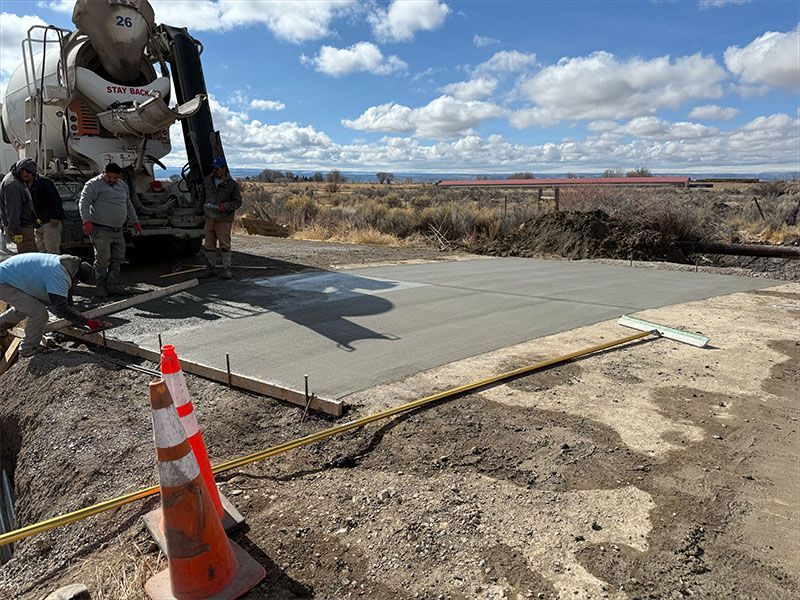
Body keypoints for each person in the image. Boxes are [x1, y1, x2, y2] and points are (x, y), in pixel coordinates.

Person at [0, 253, 107, 357]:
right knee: (39, 314)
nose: (76, 283)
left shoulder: (65, 264)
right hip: (3, 283)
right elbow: (61, 308)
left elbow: (67, 302)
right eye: (77, 281)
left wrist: (77, 320)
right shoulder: (58, 275)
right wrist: (87, 322)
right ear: (75, 277)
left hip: (10, 276)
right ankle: (27, 350)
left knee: (25, 308)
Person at [79, 162, 141, 297]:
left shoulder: (122, 186)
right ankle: (100, 286)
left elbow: (128, 204)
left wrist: (135, 221)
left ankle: (113, 285)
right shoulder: (93, 184)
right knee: (102, 258)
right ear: (103, 173)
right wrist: (86, 220)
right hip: (100, 229)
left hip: (118, 230)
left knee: (118, 258)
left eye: (115, 178)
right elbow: (84, 202)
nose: (112, 180)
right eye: (109, 177)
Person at [203, 157, 241, 279]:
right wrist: (200, 209)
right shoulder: (208, 181)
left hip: (223, 219)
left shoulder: (232, 185)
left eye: (218, 169)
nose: (215, 171)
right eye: (214, 168)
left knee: (224, 245)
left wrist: (224, 206)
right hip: (209, 217)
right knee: (209, 244)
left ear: (224, 169)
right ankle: (210, 269)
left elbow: (237, 202)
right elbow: (202, 197)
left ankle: (226, 269)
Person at [0, 158, 38, 253]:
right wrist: (16, 231)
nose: (29, 176)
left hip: (22, 226)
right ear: (21, 169)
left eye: (32, 174)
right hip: (22, 228)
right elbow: (13, 210)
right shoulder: (13, 185)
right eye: (28, 173)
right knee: (29, 257)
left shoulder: (17, 180)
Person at [32, 173, 65, 254]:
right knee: (41, 252)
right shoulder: (27, 184)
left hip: (50, 222)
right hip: (38, 223)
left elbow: (56, 200)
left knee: (52, 252)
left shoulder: (45, 183)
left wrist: (55, 216)